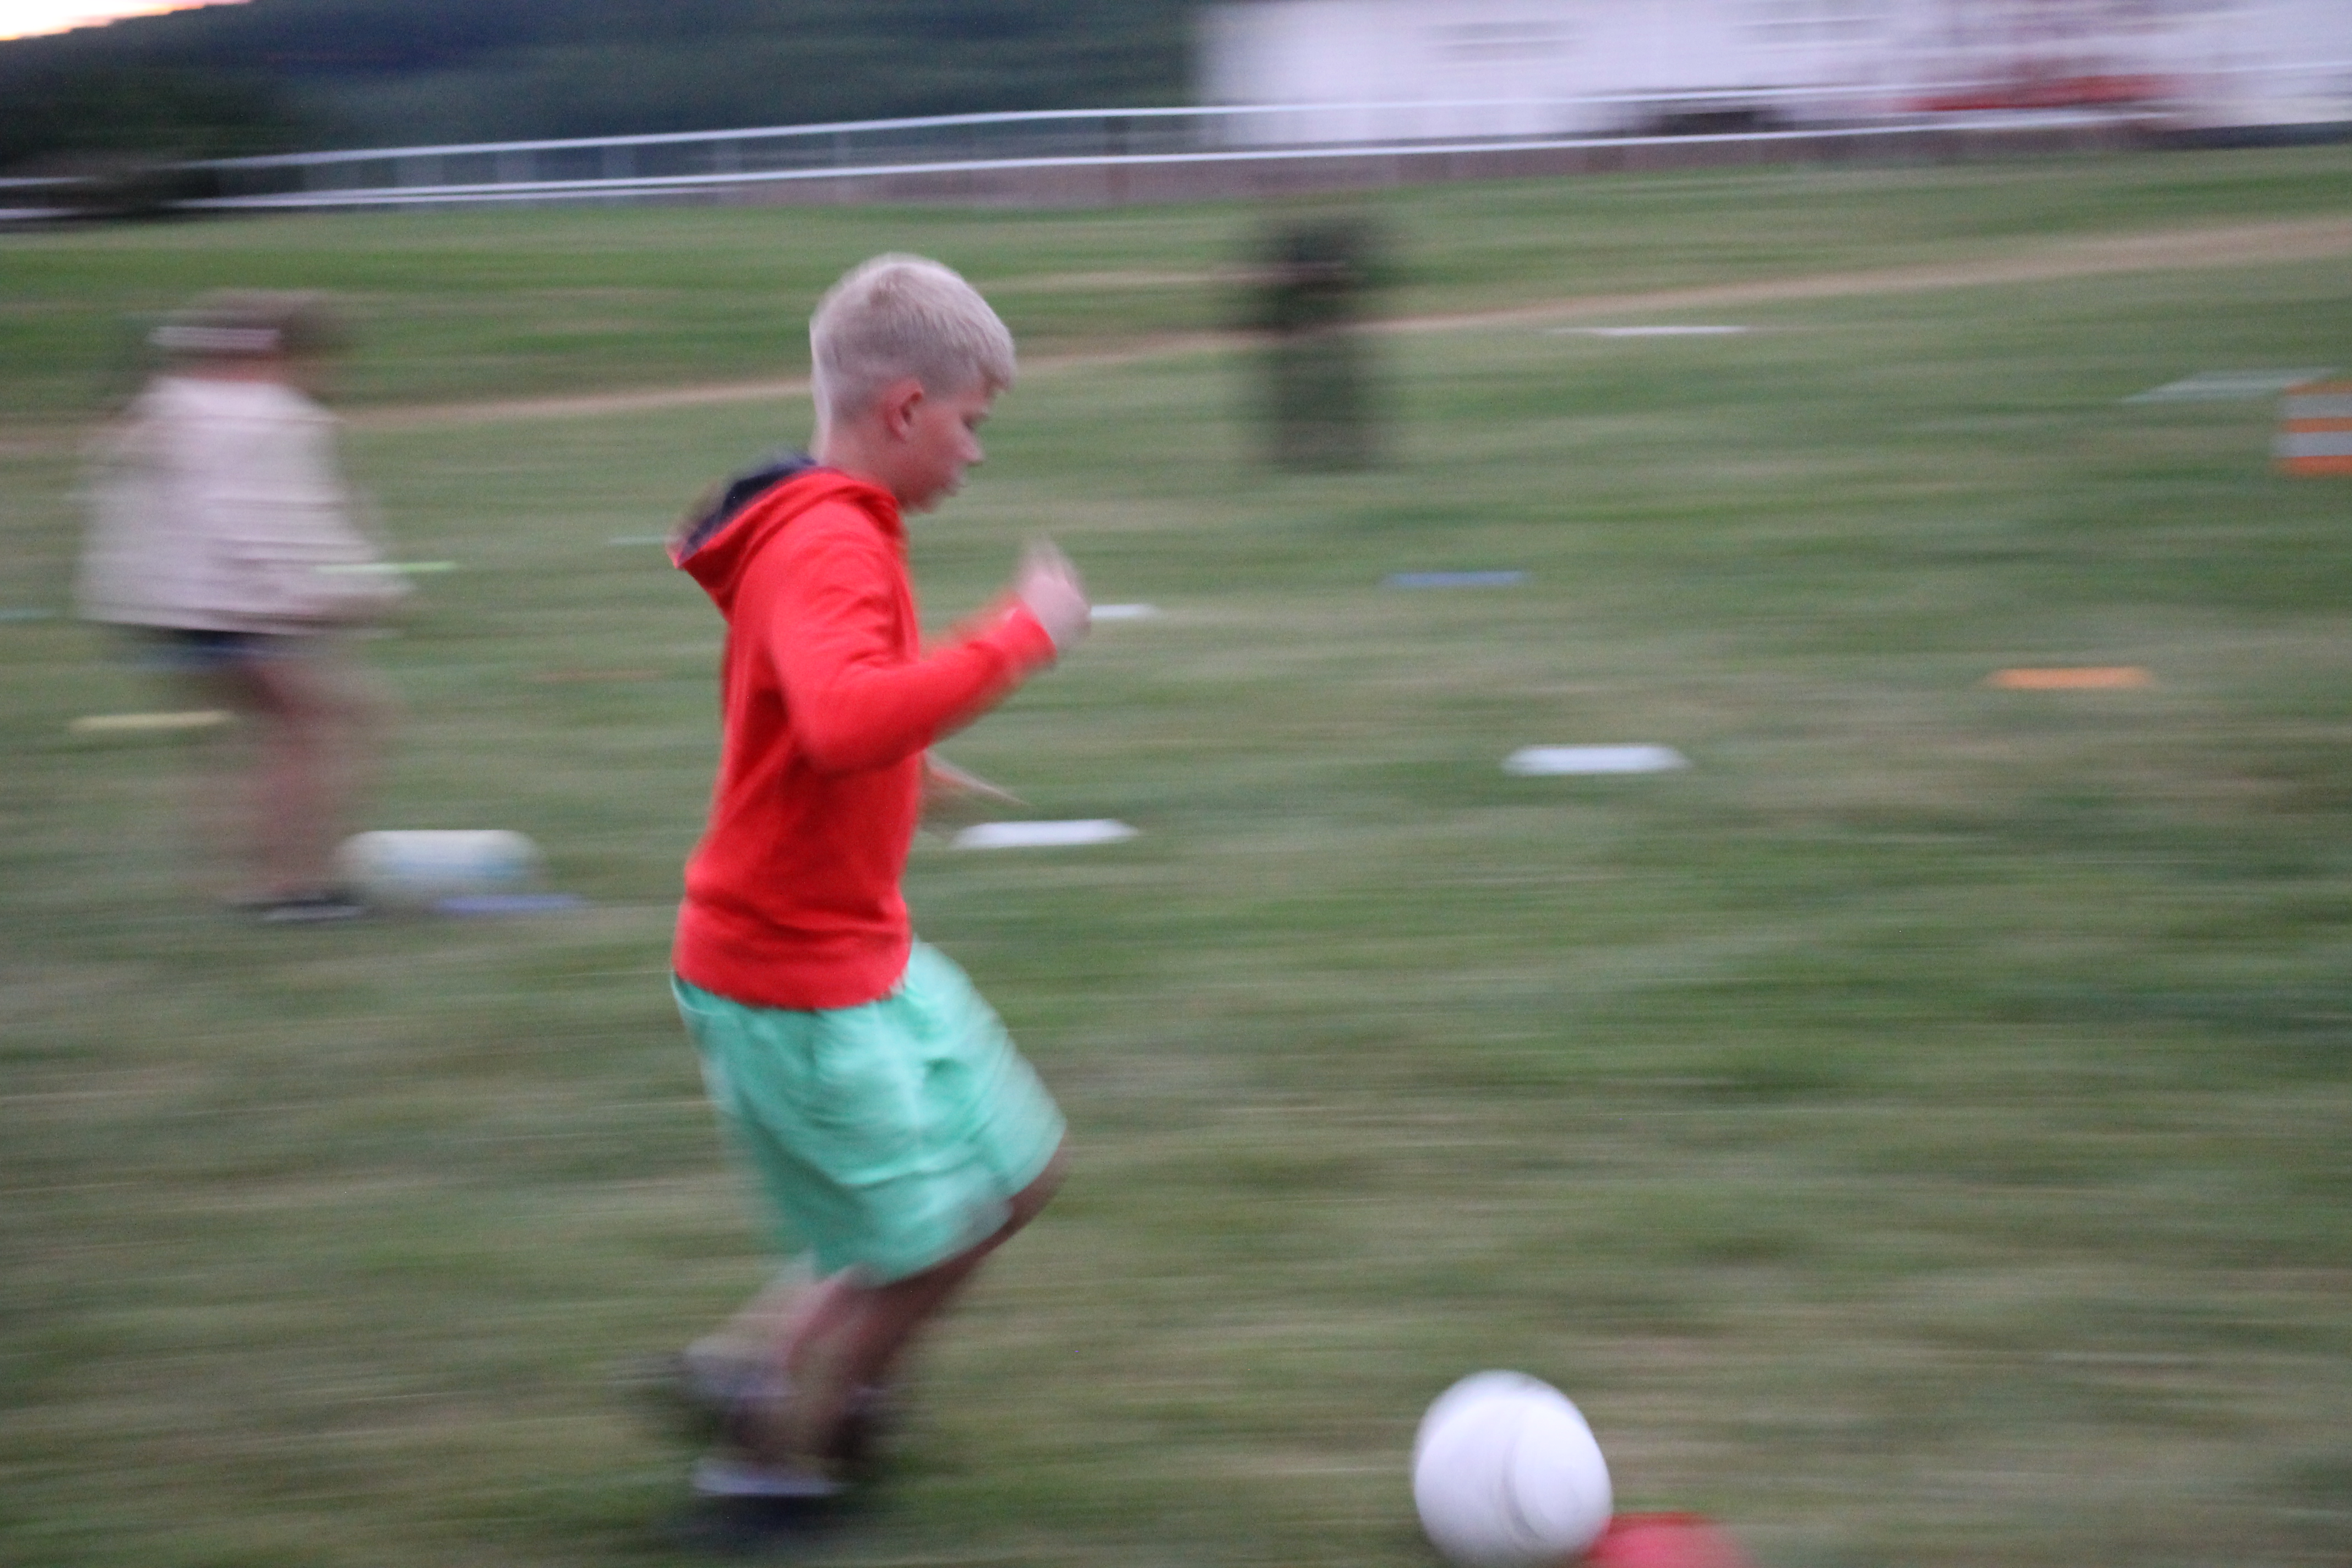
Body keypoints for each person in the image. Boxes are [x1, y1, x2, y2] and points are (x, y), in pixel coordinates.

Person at [659, 254, 1091, 1509]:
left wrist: (915, 772)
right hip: (788, 980)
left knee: (1013, 1168)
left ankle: (768, 1374)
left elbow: (821, 718)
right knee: (925, 1232)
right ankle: (769, 1458)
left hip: (857, 954)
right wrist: (1022, 633)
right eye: (971, 422)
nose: (976, 451)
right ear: (905, 408)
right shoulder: (827, 540)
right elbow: (845, 716)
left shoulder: (835, 525)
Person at [75, 290, 404, 921]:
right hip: (232, 607)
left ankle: (250, 879)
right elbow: (281, 519)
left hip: (162, 609)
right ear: (285, 352)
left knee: (256, 735)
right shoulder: (272, 416)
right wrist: (363, 590)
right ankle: (286, 886)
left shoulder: (166, 406)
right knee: (312, 728)